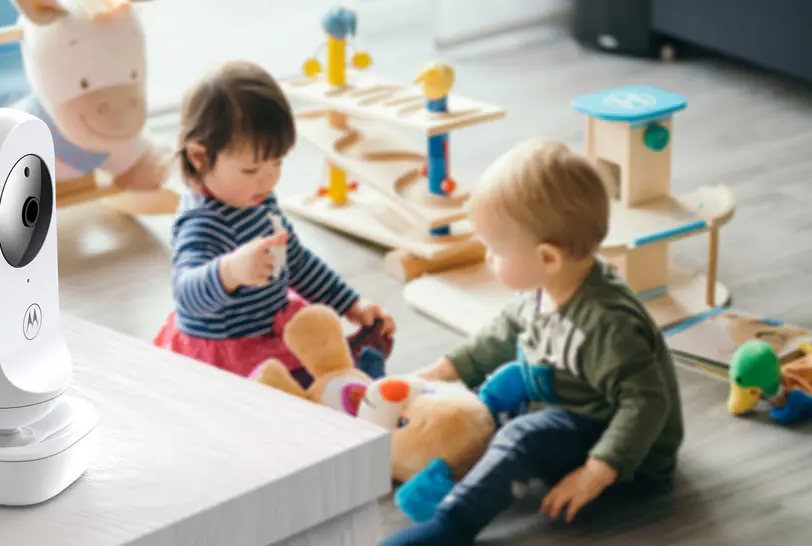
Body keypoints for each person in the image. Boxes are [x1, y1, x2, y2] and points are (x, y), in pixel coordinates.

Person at [380, 139, 684, 545]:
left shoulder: (608, 326)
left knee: (523, 436)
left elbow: (647, 402)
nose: (487, 257)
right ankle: (433, 466)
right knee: (483, 402)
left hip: (626, 454)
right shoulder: (548, 285)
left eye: (495, 249)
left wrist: (597, 471)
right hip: (562, 402)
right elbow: (505, 331)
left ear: (548, 258)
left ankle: (454, 523)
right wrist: (445, 370)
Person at [154, 60, 395, 387]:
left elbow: (295, 260)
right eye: (251, 169)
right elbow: (187, 294)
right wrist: (230, 271)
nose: (269, 179)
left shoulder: (258, 198)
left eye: (277, 162)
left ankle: (349, 371)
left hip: (273, 330)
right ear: (200, 158)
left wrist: (350, 304)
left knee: (321, 353)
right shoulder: (203, 223)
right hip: (230, 353)